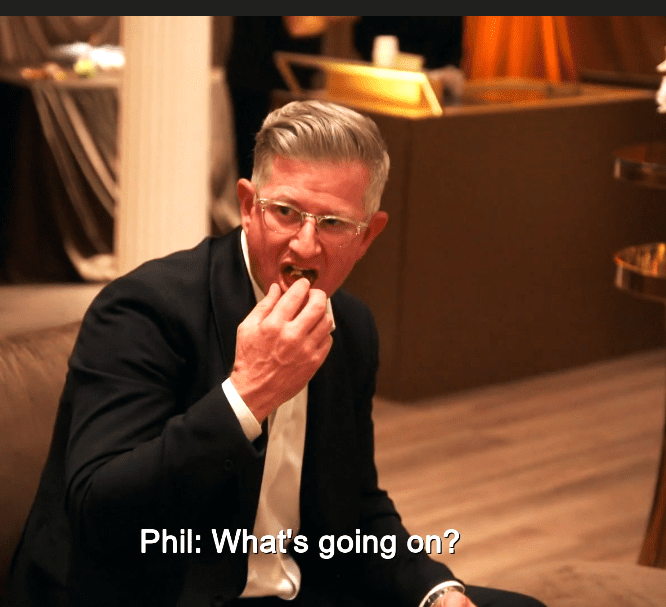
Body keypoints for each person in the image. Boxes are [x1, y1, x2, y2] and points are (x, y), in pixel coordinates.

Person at [5, 100, 545, 607]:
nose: (305, 244)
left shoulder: (352, 328)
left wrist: (436, 588)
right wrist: (247, 396)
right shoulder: (144, 309)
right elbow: (100, 513)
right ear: (248, 206)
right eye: (285, 212)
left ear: (368, 235)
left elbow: (355, 507)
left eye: (333, 223)